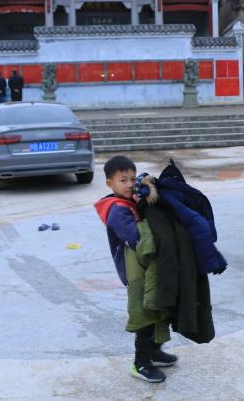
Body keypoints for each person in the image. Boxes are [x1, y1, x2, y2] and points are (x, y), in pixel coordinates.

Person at [94, 156, 178, 383]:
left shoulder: (131, 200)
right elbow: (136, 237)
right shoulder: (116, 210)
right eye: (123, 180)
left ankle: (154, 351)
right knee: (145, 316)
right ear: (110, 183)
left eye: (132, 178)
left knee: (158, 307)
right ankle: (140, 363)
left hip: (148, 267)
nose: (130, 184)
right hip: (136, 272)